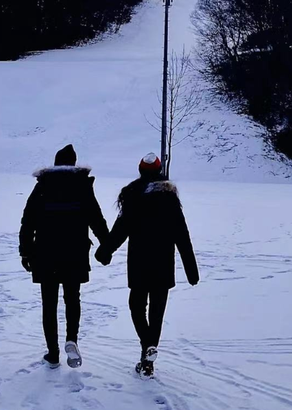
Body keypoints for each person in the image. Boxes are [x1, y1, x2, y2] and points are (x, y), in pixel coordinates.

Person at [95, 153, 199, 378]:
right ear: (160, 171)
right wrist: (191, 270)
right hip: (163, 263)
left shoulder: (134, 197)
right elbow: (182, 235)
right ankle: (148, 355)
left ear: (140, 171)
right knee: (157, 311)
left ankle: (146, 348)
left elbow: (120, 229)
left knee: (136, 305)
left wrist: (105, 252)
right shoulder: (170, 199)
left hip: (140, 263)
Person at [19, 144, 109, 369]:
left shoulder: (43, 186)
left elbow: (28, 220)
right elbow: (96, 219)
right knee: (72, 299)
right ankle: (72, 339)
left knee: (49, 304)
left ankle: (52, 353)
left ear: (56, 163)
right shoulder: (82, 186)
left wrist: (26, 251)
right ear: (74, 163)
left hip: (45, 253)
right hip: (75, 253)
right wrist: (106, 246)